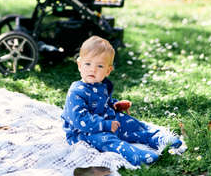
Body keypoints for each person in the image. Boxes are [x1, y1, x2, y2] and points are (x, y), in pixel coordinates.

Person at [62, 35, 182, 166]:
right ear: (80, 65)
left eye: (100, 66)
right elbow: (81, 120)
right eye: (88, 63)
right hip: (84, 132)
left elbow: (102, 103)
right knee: (105, 140)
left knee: (130, 123)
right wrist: (106, 125)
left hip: (105, 120)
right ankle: (132, 154)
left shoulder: (101, 85)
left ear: (108, 71)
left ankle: (155, 137)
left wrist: (115, 105)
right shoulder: (76, 91)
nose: (93, 69)